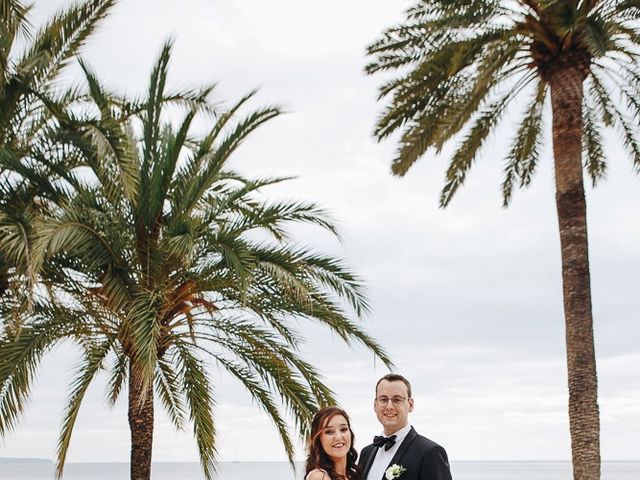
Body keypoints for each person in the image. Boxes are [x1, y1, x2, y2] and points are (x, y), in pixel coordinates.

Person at [359, 374, 452, 480]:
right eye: (383, 400)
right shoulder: (366, 453)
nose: (389, 406)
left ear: (410, 404)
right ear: (375, 405)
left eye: (397, 400)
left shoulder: (431, 453)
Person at [305, 406, 361, 480]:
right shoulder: (319, 476)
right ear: (318, 439)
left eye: (343, 429)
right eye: (329, 432)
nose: (338, 437)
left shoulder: (351, 475)